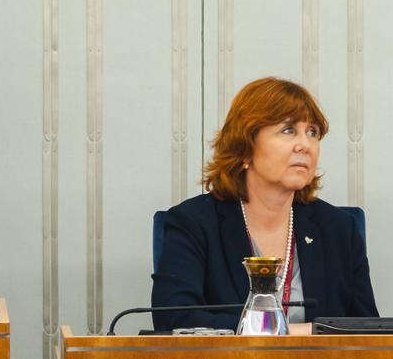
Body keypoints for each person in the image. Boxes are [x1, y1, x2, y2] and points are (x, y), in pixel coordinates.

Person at [151, 77, 378, 334]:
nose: (305, 145)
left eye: (312, 132)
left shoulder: (339, 229)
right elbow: (173, 319)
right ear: (245, 148)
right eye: (288, 130)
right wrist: (291, 332)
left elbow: (369, 330)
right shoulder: (193, 223)